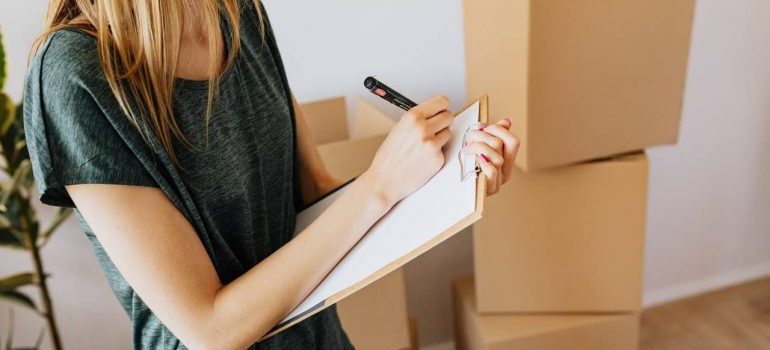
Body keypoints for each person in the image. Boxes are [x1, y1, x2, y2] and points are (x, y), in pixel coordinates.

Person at [23, 0, 519, 349]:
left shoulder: (238, 15)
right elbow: (209, 330)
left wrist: (450, 181)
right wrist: (381, 184)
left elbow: (316, 200)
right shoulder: (74, 73)